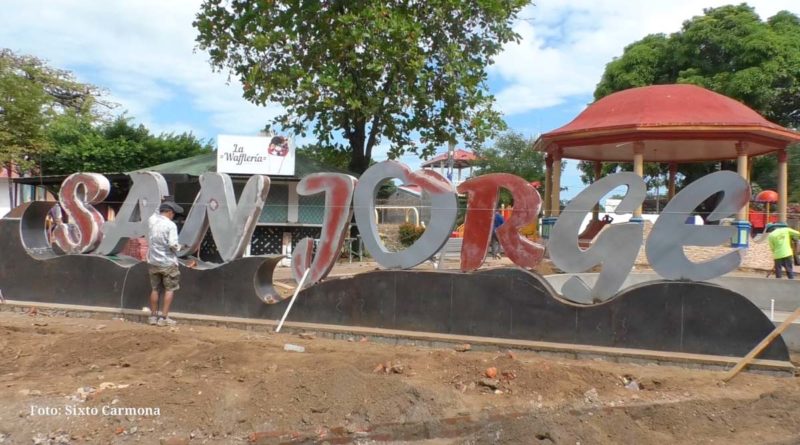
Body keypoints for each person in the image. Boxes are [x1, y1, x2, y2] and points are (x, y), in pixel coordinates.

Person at [147, 201, 184, 326]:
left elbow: (153, 213)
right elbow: (172, 245)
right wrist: (181, 248)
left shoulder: (151, 222)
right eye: (173, 213)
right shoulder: (170, 225)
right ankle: (163, 318)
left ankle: (152, 317)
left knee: (155, 289)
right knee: (169, 289)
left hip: (153, 261)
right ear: (169, 212)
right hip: (168, 262)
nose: (173, 215)